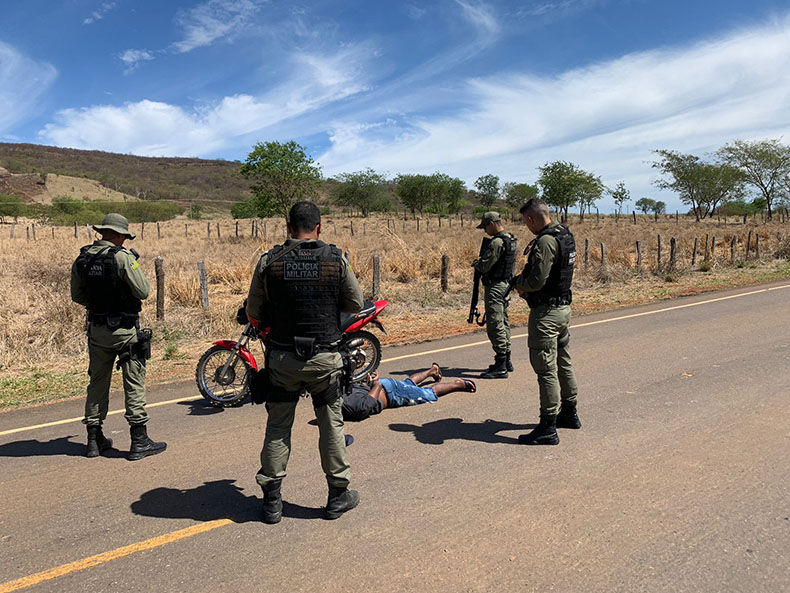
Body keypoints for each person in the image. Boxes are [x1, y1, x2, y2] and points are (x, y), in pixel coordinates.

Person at [246, 201, 364, 524]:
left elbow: (253, 311)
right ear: (320, 227)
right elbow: (355, 303)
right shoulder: (335, 259)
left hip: (283, 360)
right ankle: (337, 496)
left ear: (287, 227)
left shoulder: (270, 261)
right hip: (325, 361)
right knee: (331, 425)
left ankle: (272, 502)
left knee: (278, 426)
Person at [70, 213, 166, 460]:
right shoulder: (122, 257)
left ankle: (93, 439)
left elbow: (78, 296)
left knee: (97, 382)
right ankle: (139, 440)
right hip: (124, 330)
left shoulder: (82, 258)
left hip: (97, 330)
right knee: (133, 382)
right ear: (120, 235)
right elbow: (143, 291)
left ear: (103, 232)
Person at [513, 198, 580, 446]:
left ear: (531, 219)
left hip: (546, 314)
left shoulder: (545, 241)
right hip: (564, 309)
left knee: (545, 369)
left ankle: (548, 426)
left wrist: (518, 284)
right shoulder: (564, 234)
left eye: (525, 221)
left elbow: (536, 281)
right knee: (563, 360)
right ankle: (570, 412)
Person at [341, 364, 477, 422]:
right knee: (408, 384)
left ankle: (458, 384)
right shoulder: (336, 392)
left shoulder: (343, 403)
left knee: (427, 394)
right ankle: (432, 371)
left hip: (390, 393)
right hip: (385, 387)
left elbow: (365, 406)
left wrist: (376, 384)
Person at [473, 211, 517, 379]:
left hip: (496, 286)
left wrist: (477, 263)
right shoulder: (510, 239)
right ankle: (506, 360)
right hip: (505, 284)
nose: (485, 230)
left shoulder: (497, 242)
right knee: (504, 321)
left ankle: (501, 365)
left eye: (485, 226)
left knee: (495, 324)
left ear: (492, 223)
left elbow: (485, 266)